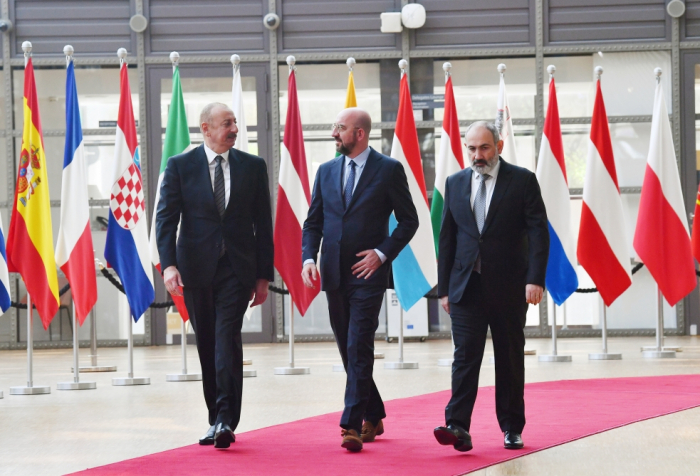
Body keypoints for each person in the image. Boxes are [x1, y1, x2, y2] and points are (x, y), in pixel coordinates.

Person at [156, 102, 274, 449]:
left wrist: (263, 275)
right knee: (207, 343)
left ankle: (225, 418)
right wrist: (169, 265)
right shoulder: (180, 166)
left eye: (235, 122)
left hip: (237, 270)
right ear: (205, 129)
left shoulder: (253, 166)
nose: (234, 129)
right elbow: (166, 220)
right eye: (226, 123)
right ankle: (215, 417)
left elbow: (263, 224)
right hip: (195, 269)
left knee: (226, 340)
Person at [301, 107, 419, 452]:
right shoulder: (325, 171)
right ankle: (376, 411)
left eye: (339, 128)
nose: (334, 134)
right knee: (347, 349)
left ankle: (352, 424)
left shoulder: (388, 170)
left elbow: (409, 221)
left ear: (359, 134)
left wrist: (381, 253)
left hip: (368, 274)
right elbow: (313, 223)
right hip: (334, 273)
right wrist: (309, 257)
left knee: (358, 345)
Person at [433, 121, 548, 452]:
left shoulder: (522, 180)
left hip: (510, 286)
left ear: (498, 145)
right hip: (466, 286)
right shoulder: (455, 183)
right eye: (471, 148)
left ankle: (512, 427)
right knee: (464, 356)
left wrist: (535, 279)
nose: (477, 155)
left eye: (484, 147)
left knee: (509, 357)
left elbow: (539, 232)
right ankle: (457, 426)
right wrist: (444, 288)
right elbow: (448, 238)